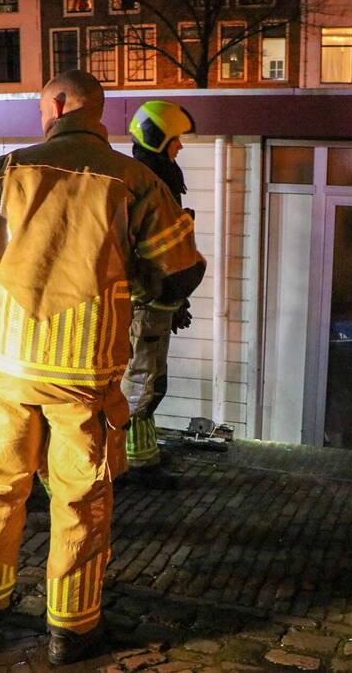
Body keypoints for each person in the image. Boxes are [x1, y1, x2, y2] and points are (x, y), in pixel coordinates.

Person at [0, 71, 205, 664]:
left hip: (7, 365)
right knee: (80, 500)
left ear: (55, 105)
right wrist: (141, 297)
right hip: (85, 375)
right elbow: (181, 271)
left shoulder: (5, 172)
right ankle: (71, 630)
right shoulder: (137, 180)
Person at [122, 100, 198, 488]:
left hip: (158, 301)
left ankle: (143, 457)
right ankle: (132, 466)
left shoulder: (156, 178)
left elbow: (170, 252)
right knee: (139, 382)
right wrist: (165, 295)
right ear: (158, 137)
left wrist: (178, 299)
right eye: (176, 139)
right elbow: (144, 253)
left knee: (151, 380)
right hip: (145, 303)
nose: (180, 147)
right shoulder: (146, 182)